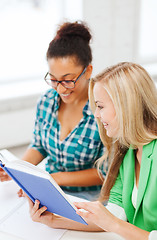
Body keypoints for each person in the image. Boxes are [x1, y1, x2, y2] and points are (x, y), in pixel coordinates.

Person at [26, 62, 157, 240]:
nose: (96, 115)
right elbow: (115, 213)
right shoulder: (128, 150)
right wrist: (54, 220)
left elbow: (113, 222)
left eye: (101, 107)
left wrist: (114, 224)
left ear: (125, 106)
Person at [0, 21, 106, 201]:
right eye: (53, 79)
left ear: (88, 71)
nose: (60, 89)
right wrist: (17, 169)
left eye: (68, 80)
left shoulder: (104, 109)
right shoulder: (46, 101)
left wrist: (54, 179)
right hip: (51, 190)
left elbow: (105, 172)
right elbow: (39, 145)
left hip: (90, 198)